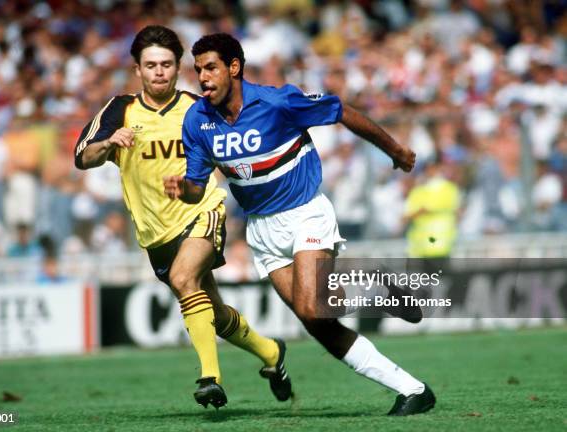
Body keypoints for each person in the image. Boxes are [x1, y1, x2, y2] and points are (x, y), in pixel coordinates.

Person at [164, 33, 436, 416]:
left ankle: (377, 281)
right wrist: (184, 189)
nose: (202, 78)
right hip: (261, 230)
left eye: (210, 67)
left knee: (311, 308)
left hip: (305, 212)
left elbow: (341, 110)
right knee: (321, 321)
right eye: (198, 70)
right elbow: (196, 187)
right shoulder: (198, 120)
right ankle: (413, 389)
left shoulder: (277, 101)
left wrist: (395, 150)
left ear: (234, 67)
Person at [74, 26, 291, 409]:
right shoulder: (119, 110)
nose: (159, 72)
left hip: (202, 210)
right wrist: (110, 143)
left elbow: (239, 146)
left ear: (178, 69)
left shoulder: (199, 108)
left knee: (183, 278)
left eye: (167, 64)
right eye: (151, 65)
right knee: (215, 313)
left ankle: (210, 378)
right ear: (138, 70)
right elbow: (82, 157)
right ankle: (272, 353)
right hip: (156, 232)